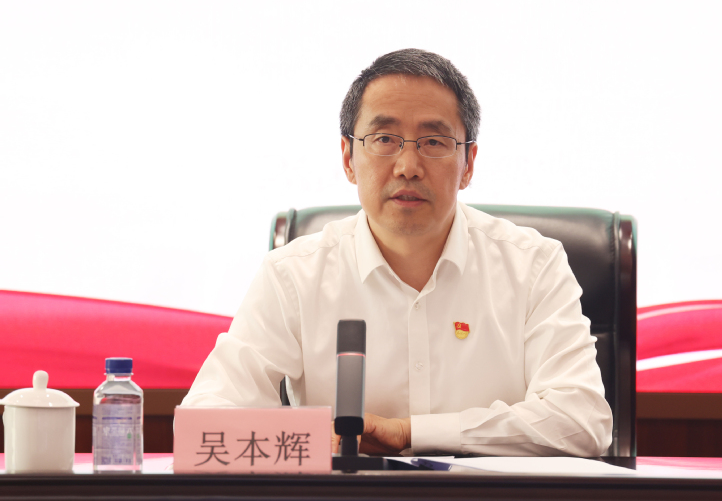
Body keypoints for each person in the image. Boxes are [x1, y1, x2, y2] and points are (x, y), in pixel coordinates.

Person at [182, 49, 613, 457]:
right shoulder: (293, 276)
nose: (408, 166)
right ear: (348, 158)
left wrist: (411, 433)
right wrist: (316, 442)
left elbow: (583, 420)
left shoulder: (534, 266)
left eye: (433, 142)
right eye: (385, 138)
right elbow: (205, 425)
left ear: (468, 164)